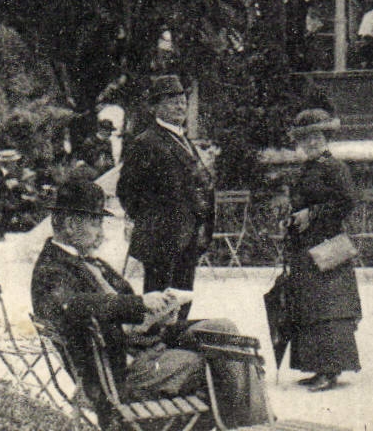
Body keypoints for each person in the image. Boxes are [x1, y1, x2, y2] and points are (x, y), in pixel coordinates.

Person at [31, 180, 269, 427]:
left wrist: (159, 311)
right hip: (124, 369)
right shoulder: (52, 269)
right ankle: (251, 426)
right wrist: (140, 304)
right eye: (96, 223)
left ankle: (249, 424)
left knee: (223, 328)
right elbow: (78, 305)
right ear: (70, 225)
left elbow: (114, 305)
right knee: (229, 357)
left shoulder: (83, 261)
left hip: (142, 343)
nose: (101, 233)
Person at [280, 108, 362, 391]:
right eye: (305, 139)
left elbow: (347, 201)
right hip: (308, 246)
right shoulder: (310, 168)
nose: (310, 143)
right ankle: (317, 368)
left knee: (329, 310)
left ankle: (330, 370)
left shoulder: (334, 167)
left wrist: (311, 214)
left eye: (316, 137)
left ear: (326, 137)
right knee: (310, 308)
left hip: (327, 247)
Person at [117, 76, 215, 305]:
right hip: (162, 239)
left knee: (181, 300)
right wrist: (154, 219)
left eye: (182, 101)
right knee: (160, 303)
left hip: (188, 235)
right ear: (155, 108)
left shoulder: (183, 140)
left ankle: (174, 339)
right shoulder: (147, 142)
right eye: (172, 102)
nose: (180, 106)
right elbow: (127, 190)